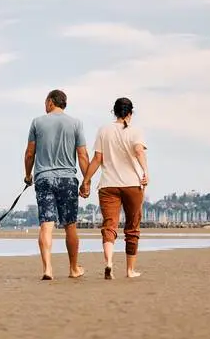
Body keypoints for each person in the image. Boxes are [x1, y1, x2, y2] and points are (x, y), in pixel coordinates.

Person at [23, 89, 89, 281]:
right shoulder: (76, 123)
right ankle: (73, 268)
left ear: (51, 102)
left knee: (46, 224)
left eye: (45, 102)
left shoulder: (37, 122)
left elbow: (29, 153)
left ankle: (48, 269)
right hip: (67, 179)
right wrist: (86, 181)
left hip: (44, 178)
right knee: (70, 225)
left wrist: (28, 175)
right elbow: (83, 155)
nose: (45, 106)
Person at [80, 97, 148, 280]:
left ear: (115, 112)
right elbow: (139, 151)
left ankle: (109, 262)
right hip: (132, 184)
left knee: (109, 225)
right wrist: (145, 171)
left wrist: (86, 180)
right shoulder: (135, 131)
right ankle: (130, 270)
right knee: (132, 228)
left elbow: (97, 159)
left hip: (108, 185)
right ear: (130, 113)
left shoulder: (104, 130)